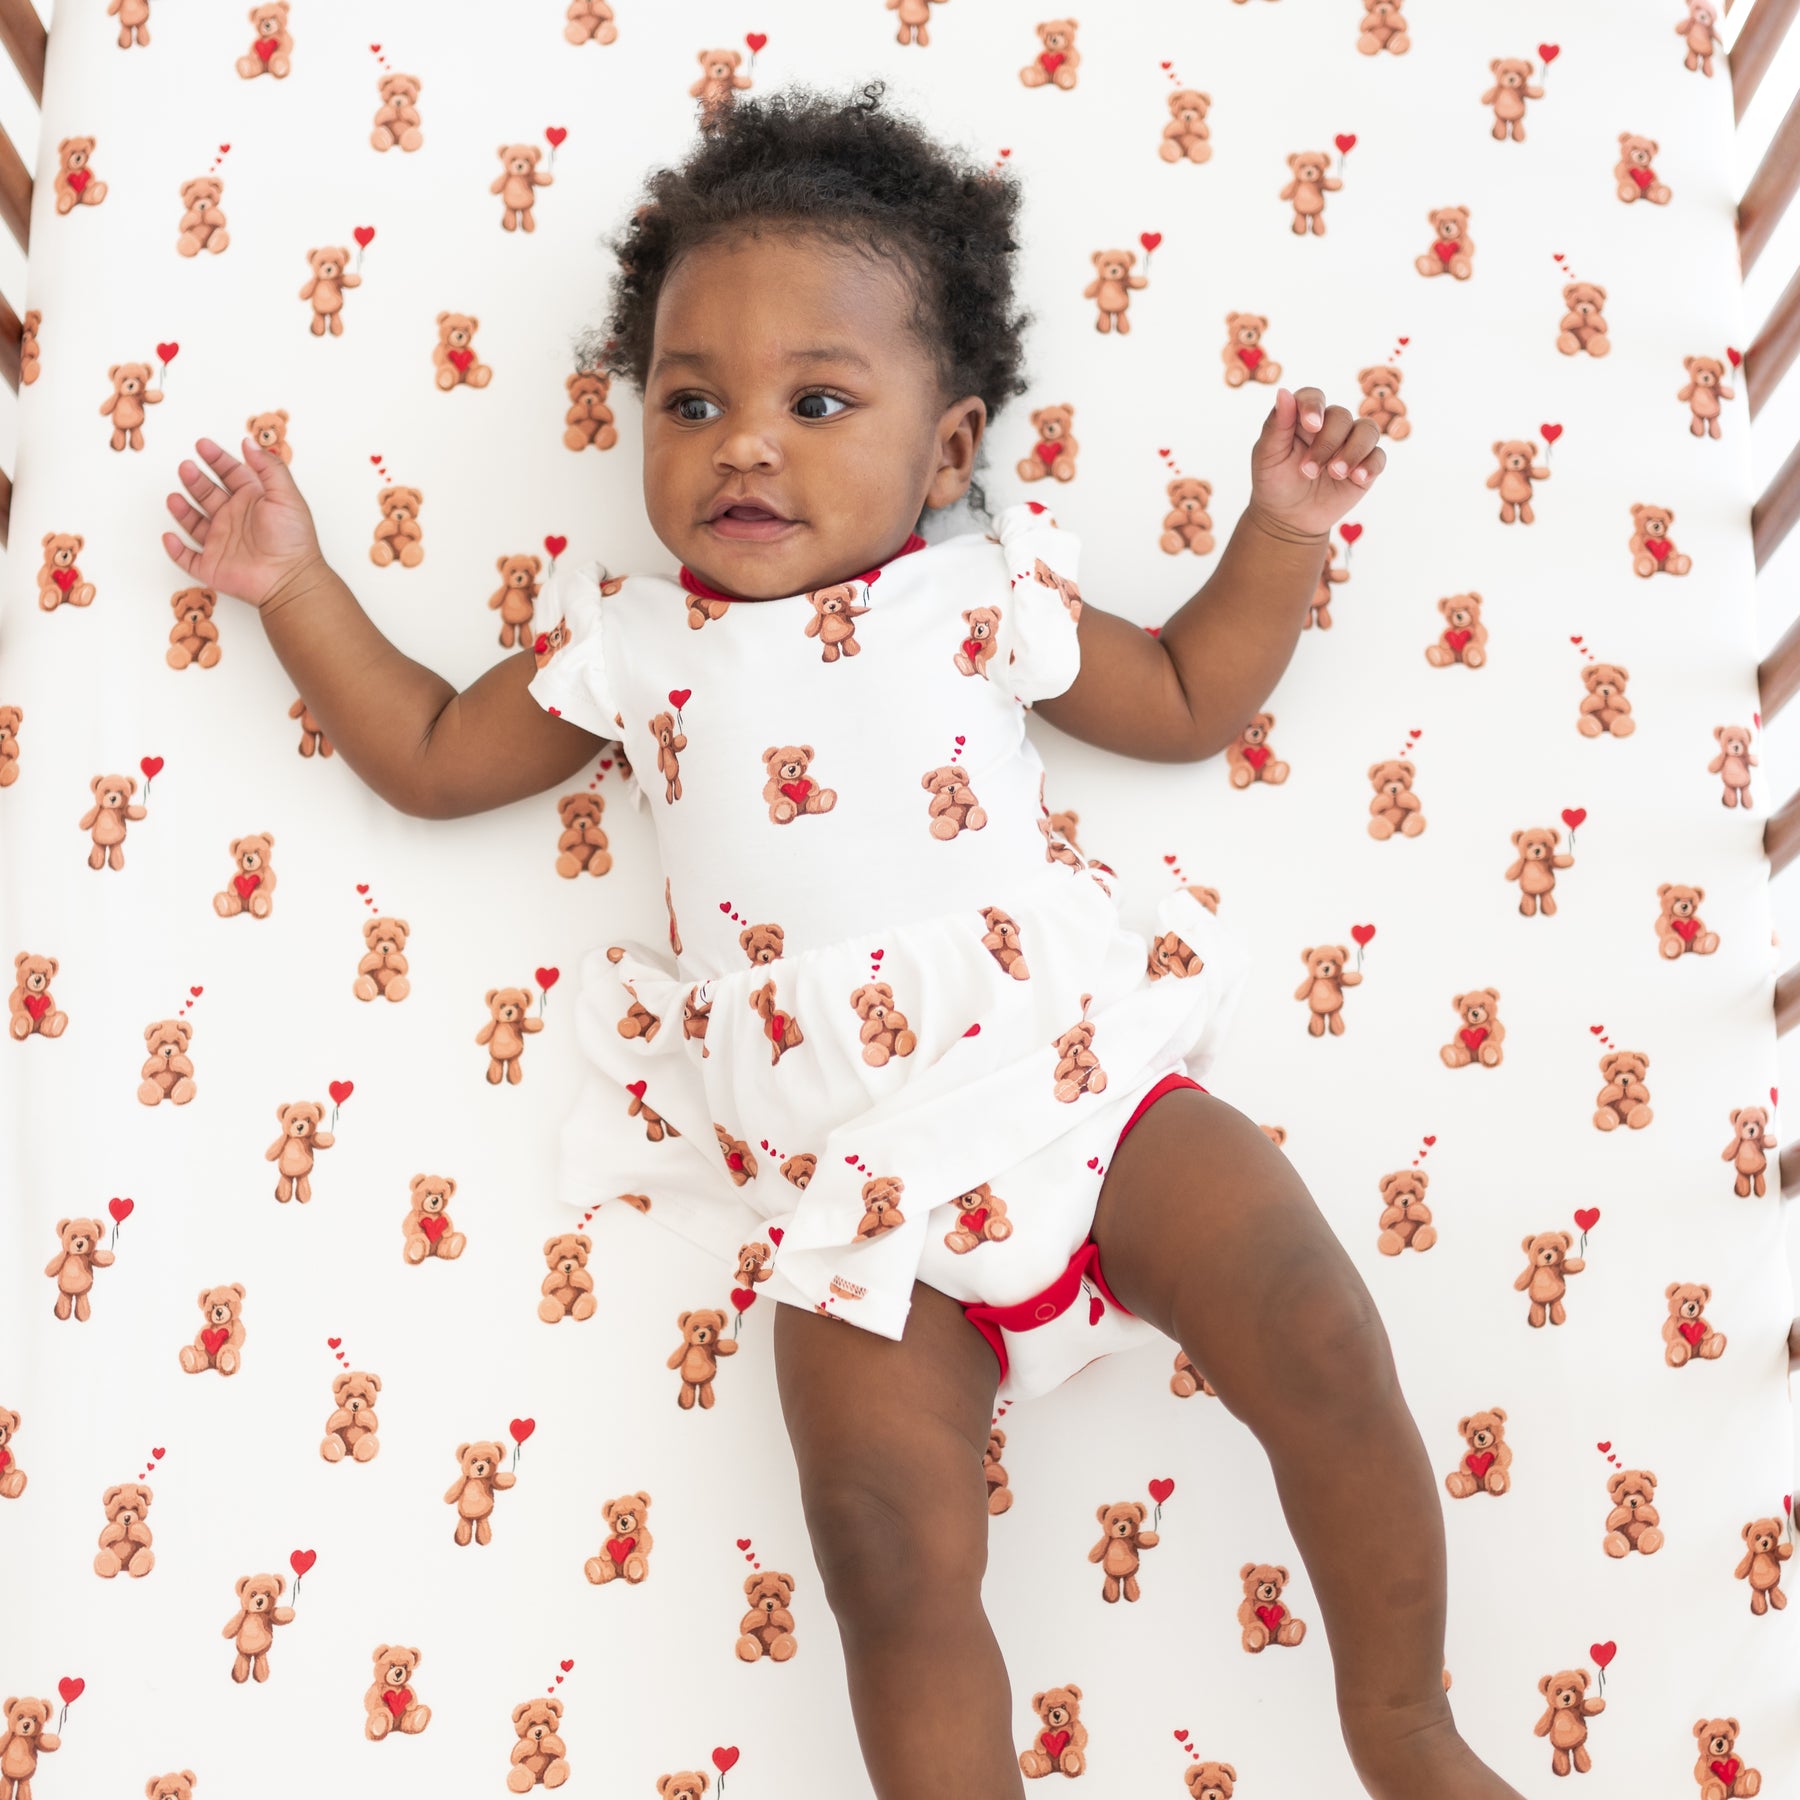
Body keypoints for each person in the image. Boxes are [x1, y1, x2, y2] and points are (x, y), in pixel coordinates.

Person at [160, 78, 1520, 1800]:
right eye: (691, 399)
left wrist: (1279, 537)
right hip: (853, 1188)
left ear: (945, 450)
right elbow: (431, 756)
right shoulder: (629, 648)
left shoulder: (984, 589)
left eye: (817, 401)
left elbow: (1183, 699)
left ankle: (1404, 1724)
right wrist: (294, 586)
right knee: (879, 1546)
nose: (745, 442)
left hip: (1079, 1096)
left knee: (1320, 1331)